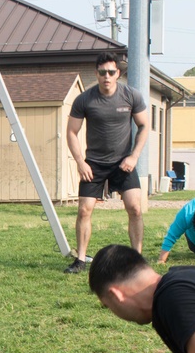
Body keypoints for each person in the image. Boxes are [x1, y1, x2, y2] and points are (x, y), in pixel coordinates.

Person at [64, 52, 150, 274]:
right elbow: (72, 132)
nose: (107, 77)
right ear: (97, 74)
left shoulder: (131, 96)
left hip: (124, 162)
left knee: (135, 208)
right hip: (94, 164)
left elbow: (144, 126)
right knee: (84, 210)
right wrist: (80, 162)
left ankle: (137, 260)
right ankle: (81, 260)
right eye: (102, 73)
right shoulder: (85, 99)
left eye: (111, 72)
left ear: (117, 73)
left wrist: (134, 157)